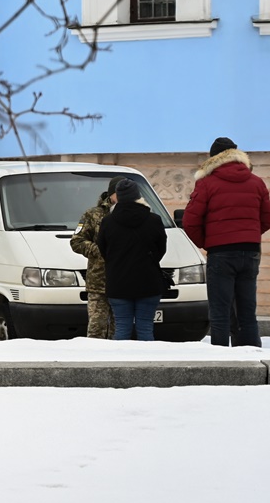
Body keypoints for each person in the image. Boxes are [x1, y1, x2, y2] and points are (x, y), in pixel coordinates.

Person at [183, 137, 270, 347]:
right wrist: (250, 235)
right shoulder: (256, 182)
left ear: (214, 158)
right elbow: (267, 217)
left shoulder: (207, 183)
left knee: (220, 312)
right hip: (250, 252)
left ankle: (221, 359)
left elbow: (190, 221)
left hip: (220, 252)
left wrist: (208, 242)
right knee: (247, 311)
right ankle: (250, 358)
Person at [96, 177, 169, 341]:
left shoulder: (107, 222)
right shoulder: (154, 220)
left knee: (122, 327)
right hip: (148, 282)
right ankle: (147, 364)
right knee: (145, 328)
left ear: (118, 197)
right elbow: (161, 249)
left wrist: (116, 262)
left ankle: (121, 365)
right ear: (137, 196)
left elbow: (102, 248)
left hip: (118, 282)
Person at [68, 182, 117, 339]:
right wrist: (99, 250)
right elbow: (77, 241)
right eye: (119, 193)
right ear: (111, 194)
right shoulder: (93, 214)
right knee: (96, 330)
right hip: (98, 282)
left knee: (120, 333)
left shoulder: (133, 214)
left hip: (122, 283)